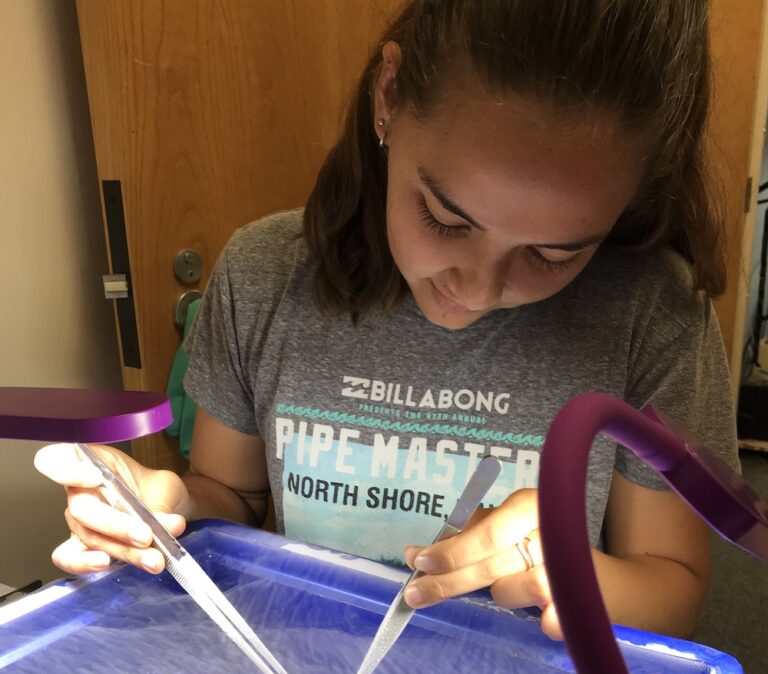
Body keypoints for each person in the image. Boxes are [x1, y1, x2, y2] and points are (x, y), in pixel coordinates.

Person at [35, 0, 738, 641]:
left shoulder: (652, 316)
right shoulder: (263, 278)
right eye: (445, 217)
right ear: (390, 96)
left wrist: (580, 577)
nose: (479, 286)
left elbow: (671, 584)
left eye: (555, 253)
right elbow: (236, 498)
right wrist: (166, 508)